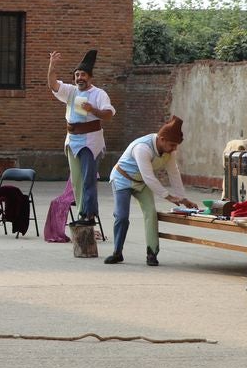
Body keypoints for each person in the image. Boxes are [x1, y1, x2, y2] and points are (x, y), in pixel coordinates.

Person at [105, 116, 200, 266]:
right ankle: (117, 252)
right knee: (122, 216)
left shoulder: (170, 152)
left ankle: (152, 253)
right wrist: (168, 196)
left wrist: (182, 198)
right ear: (161, 139)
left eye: (176, 146)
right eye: (172, 145)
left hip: (141, 183)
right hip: (122, 179)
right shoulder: (142, 147)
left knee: (151, 214)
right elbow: (149, 177)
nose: (174, 148)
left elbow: (174, 173)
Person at [48, 49, 115, 227]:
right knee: (77, 182)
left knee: (88, 179)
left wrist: (92, 109)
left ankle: (89, 215)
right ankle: (81, 214)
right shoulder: (71, 92)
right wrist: (52, 66)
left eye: (83, 74)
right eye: (77, 75)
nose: (79, 78)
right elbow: (53, 84)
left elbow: (108, 114)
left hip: (90, 141)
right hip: (72, 140)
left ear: (90, 77)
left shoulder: (99, 94)